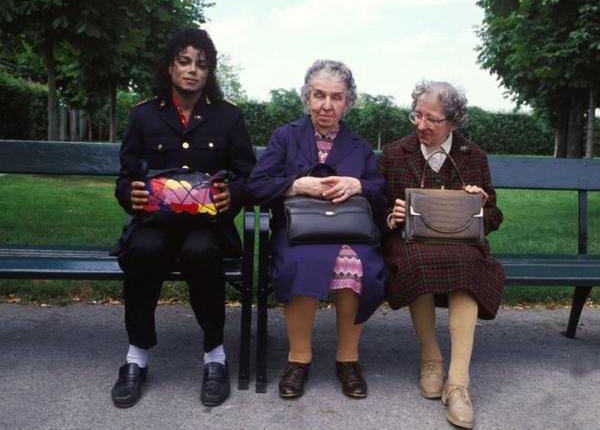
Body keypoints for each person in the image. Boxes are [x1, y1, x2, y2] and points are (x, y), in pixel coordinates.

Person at [110, 28, 255, 408]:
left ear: (209, 72)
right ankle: (136, 356)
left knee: (201, 253)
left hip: (207, 226)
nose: (193, 70)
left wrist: (232, 195)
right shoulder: (143, 115)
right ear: (170, 66)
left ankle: (215, 356)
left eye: (201, 64)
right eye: (185, 61)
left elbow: (247, 175)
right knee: (143, 251)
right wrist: (130, 195)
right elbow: (125, 178)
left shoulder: (228, 117)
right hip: (154, 223)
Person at [248, 59, 387, 399]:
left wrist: (357, 185)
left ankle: (348, 360)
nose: (327, 105)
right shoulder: (286, 136)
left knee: (358, 263)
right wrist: (296, 185)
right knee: (301, 261)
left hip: (350, 232)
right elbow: (256, 186)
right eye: (319, 95)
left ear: (348, 103)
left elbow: (382, 193)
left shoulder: (359, 145)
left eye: (336, 97)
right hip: (299, 232)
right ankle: (298, 360)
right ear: (307, 97)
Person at [379, 81, 504, 429]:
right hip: (410, 242)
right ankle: (431, 357)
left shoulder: (472, 155)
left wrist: (480, 206)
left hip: (461, 244)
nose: (420, 125)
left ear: (453, 121)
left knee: (467, 265)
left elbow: (495, 216)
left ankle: (458, 383)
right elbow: (374, 209)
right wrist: (392, 217)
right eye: (416, 115)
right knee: (418, 260)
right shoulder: (395, 153)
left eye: (431, 119)